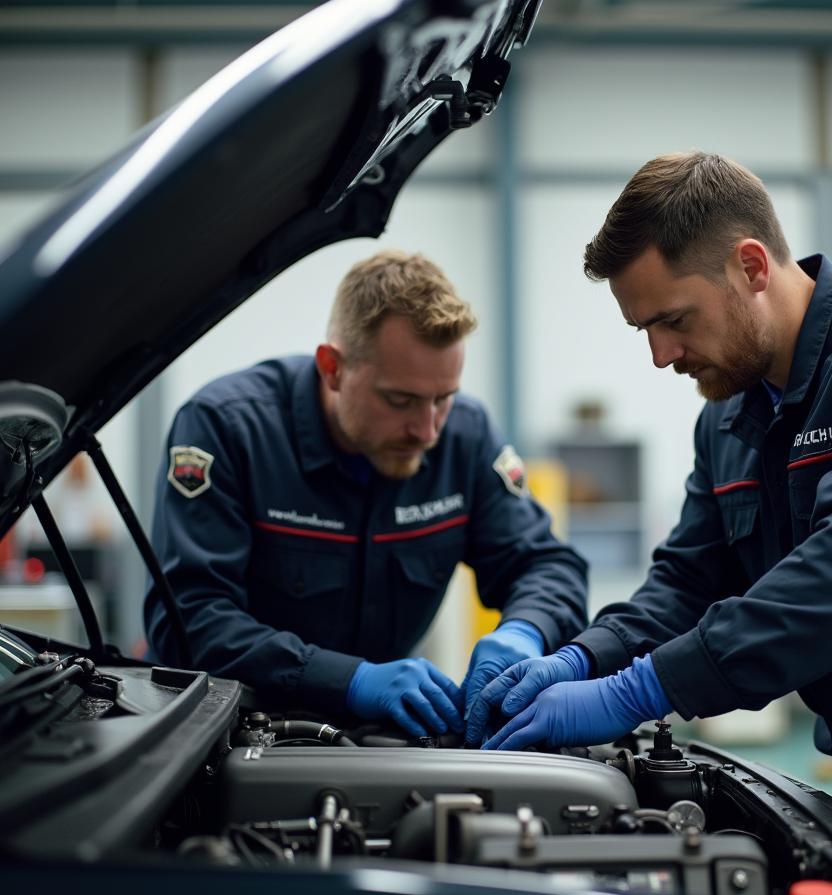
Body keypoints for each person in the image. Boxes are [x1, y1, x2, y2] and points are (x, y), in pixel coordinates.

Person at [473, 151, 832, 895]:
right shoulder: (729, 420)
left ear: (752, 265)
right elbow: (685, 583)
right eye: (644, 329)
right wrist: (580, 659)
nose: (661, 356)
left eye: (674, 319)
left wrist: (638, 692)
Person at [144, 250, 587, 738]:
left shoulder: (467, 435)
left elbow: (547, 565)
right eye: (400, 401)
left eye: (444, 398)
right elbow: (188, 619)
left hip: (383, 737)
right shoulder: (227, 429)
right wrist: (348, 679)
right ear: (332, 368)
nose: (427, 430)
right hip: (236, 733)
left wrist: (524, 631)